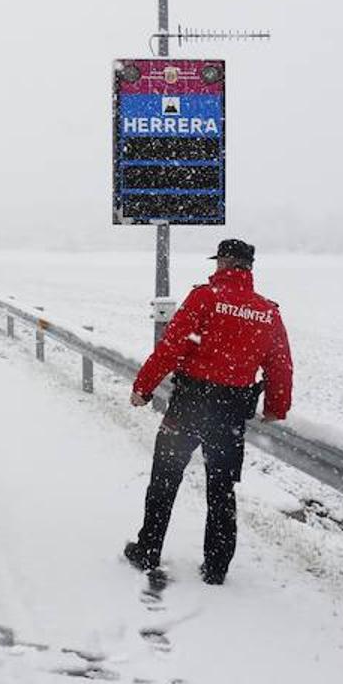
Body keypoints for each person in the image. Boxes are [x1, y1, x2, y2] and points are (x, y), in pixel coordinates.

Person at [123, 238, 293, 585]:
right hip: (231, 413)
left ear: (223, 264)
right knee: (222, 489)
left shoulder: (205, 297)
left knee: (164, 480)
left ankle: (148, 550)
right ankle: (216, 568)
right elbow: (281, 366)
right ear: (249, 268)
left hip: (189, 405)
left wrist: (143, 387)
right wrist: (276, 407)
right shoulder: (267, 311)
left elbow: (170, 347)